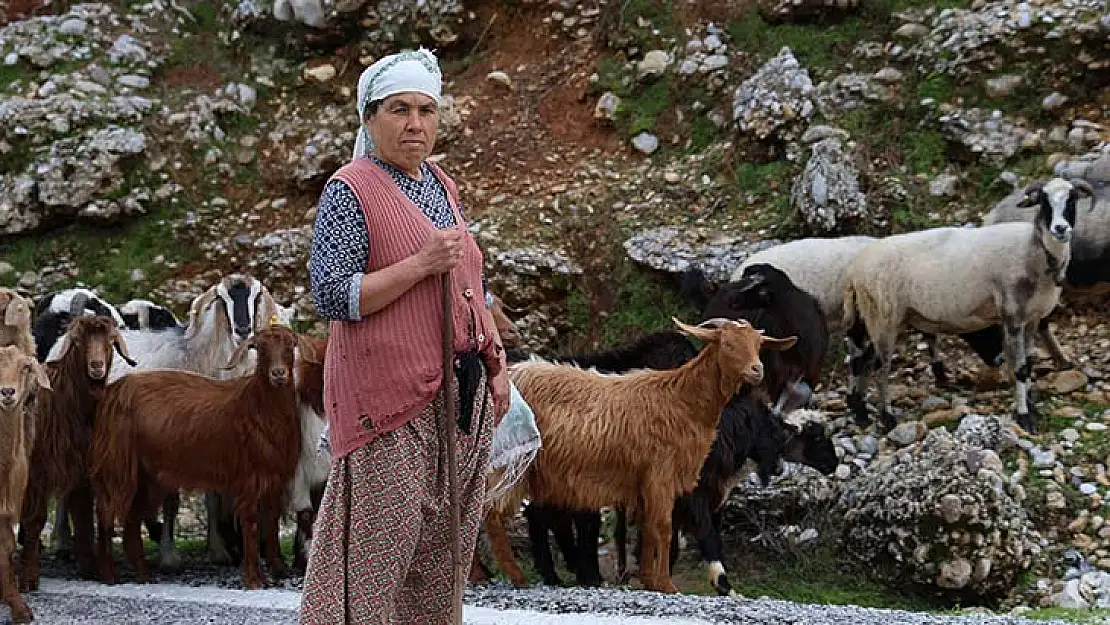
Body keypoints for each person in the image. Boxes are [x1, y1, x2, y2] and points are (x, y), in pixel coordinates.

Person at [300, 47, 511, 624]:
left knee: (444, 550)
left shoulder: (440, 185)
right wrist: (418, 263)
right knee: (379, 548)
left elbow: (470, 279)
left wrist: (495, 362)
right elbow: (333, 295)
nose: (415, 123)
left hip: (461, 396)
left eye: (425, 110)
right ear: (370, 118)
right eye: (399, 110)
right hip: (388, 398)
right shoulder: (351, 189)